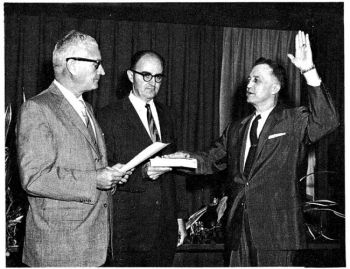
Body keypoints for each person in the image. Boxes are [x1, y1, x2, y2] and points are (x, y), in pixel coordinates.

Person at [166, 31, 339, 266]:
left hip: (278, 234)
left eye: (256, 79)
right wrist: (182, 159)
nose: (248, 84)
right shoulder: (236, 128)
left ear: (275, 87)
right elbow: (210, 159)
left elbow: (327, 120)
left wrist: (309, 71)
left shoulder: (293, 120)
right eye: (249, 79)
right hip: (238, 232)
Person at [16, 30, 132, 267]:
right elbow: (34, 178)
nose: (103, 71)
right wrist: (95, 180)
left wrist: (110, 176)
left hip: (91, 247)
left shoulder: (86, 108)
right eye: (97, 63)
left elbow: (86, 167)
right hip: (60, 251)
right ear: (73, 65)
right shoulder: (37, 109)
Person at [97, 50, 187, 267]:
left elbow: (175, 175)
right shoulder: (108, 116)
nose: (152, 82)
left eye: (158, 77)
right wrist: (143, 174)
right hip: (129, 229)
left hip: (164, 227)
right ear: (130, 76)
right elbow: (104, 173)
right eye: (145, 75)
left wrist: (179, 217)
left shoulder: (168, 115)